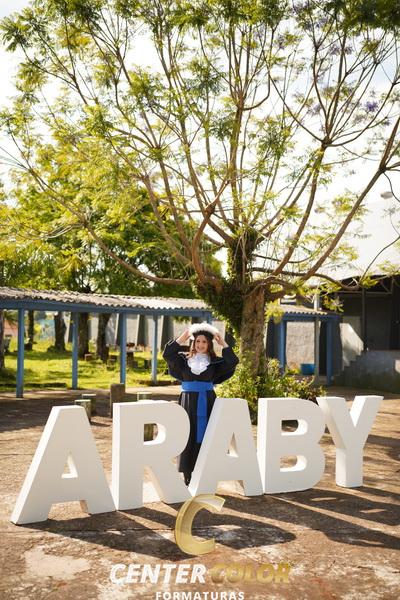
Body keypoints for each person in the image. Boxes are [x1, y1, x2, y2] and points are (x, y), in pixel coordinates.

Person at [162, 322, 239, 486]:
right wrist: (183, 337)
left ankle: (205, 472)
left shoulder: (215, 363)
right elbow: (167, 354)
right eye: (197, 341)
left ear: (209, 344)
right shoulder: (183, 360)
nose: (200, 344)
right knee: (187, 435)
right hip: (187, 403)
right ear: (193, 342)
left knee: (206, 435)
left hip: (207, 401)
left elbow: (232, 361)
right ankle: (187, 473)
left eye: (204, 342)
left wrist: (223, 343)